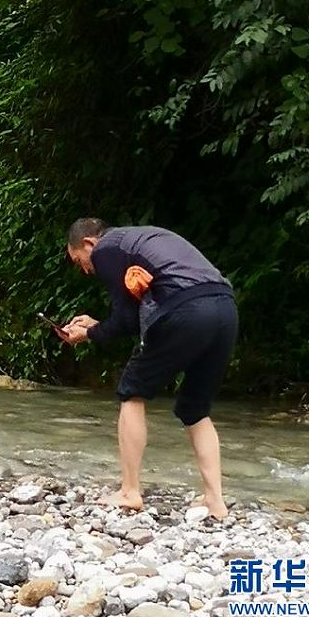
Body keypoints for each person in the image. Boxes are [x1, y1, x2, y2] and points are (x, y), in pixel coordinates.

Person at [61, 218, 238, 518]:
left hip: (185, 310)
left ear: (89, 243)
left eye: (80, 261)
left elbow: (128, 320)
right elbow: (130, 317)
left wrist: (88, 333)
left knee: (131, 390)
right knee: (195, 408)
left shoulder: (106, 249)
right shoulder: (137, 239)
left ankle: (129, 491)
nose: (85, 270)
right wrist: (96, 326)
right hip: (225, 309)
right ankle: (214, 500)